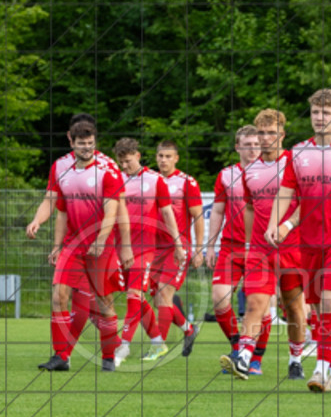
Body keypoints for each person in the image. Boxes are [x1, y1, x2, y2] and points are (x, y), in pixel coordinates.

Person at [267, 88, 331, 392]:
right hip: (307, 241)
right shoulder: (298, 152)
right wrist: (275, 224)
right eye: (315, 113)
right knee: (322, 311)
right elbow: (286, 193)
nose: (320, 118)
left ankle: (320, 370)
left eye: (326, 112)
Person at [26, 113, 132, 352]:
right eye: (81, 143)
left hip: (100, 246)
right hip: (74, 245)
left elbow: (114, 211)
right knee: (59, 296)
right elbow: (54, 205)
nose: (86, 148)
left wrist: (110, 242)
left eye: (90, 143)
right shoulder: (60, 167)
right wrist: (38, 222)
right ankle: (61, 357)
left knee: (101, 302)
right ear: (70, 140)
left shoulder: (108, 169)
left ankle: (113, 347)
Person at [220, 109, 308, 380]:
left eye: (272, 132)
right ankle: (244, 358)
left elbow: (308, 203)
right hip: (260, 249)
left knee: (293, 308)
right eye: (262, 133)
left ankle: (295, 359)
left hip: (294, 248)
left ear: (282, 134)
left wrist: (287, 225)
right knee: (256, 302)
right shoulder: (251, 170)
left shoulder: (296, 163)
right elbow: (248, 208)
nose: (266, 137)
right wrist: (248, 244)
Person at [113, 138, 185, 367]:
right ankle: (157, 342)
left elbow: (167, 214)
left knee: (134, 296)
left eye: (127, 161)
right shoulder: (115, 180)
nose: (124, 166)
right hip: (119, 247)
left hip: (144, 249)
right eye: (120, 162)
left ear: (137, 155)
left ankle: (122, 347)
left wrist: (178, 244)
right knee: (138, 298)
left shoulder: (155, 181)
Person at [205, 125, 261, 354]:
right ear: (237, 147)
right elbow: (217, 211)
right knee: (219, 299)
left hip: (260, 247)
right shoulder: (226, 175)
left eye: (257, 145)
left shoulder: (273, 173)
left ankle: (255, 358)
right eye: (247, 145)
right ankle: (237, 346)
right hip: (231, 246)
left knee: (258, 305)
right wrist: (210, 246)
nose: (253, 150)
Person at [147, 140, 205, 359]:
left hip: (177, 248)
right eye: (160, 156)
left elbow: (198, 217)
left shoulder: (186, 182)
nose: (163, 160)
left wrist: (198, 249)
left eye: (168, 156)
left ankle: (157, 347)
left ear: (176, 158)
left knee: (164, 293)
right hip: (154, 249)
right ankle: (189, 329)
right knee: (158, 298)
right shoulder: (150, 181)